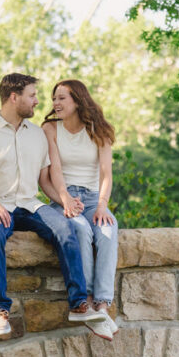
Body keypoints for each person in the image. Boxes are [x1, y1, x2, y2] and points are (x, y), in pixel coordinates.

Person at [0, 73, 112, 339]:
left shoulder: (37, 134)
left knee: (66, 228)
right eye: (32, 95)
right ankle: (0, 310)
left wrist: (63, 200)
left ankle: (79, 304)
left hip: (29, 205)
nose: (38, 101)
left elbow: (45, 179)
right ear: (13, 97)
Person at [39, 79, 119, 336]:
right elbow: (55, 170)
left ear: (77, 100)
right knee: (80, 230)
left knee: (107, 231)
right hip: (64, 197)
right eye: (54, 99)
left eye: (62, 98)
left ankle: (102, 303)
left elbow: (106, 174)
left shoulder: (100, 130)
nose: (55, 103)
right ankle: (86, 300)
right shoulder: (50, 129)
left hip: (95, 198)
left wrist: (103, 206)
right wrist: (65, 201)